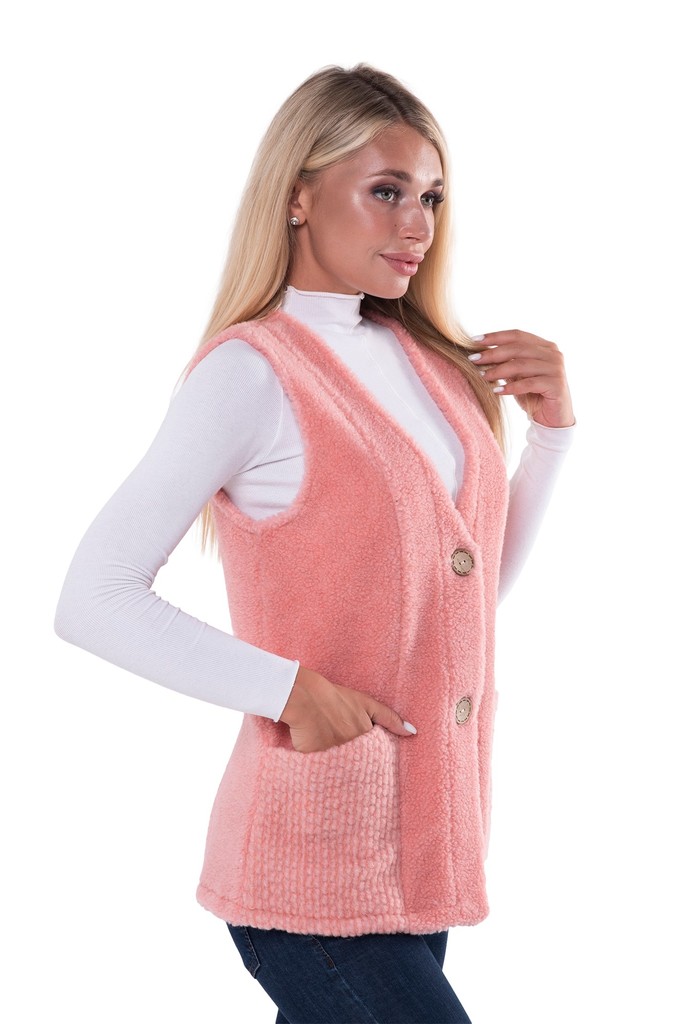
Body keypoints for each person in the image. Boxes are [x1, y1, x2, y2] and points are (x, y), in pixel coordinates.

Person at [54, 63, 575, 1024]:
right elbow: (94, 596)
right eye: (386, 192)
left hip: (422, 843)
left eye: (431, 197)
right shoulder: (250, 373)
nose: (417, 225)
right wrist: (290, 691)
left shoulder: (430, 366)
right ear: (298, 196)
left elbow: (464, 598)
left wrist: (551, 438)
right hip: (313, 858)